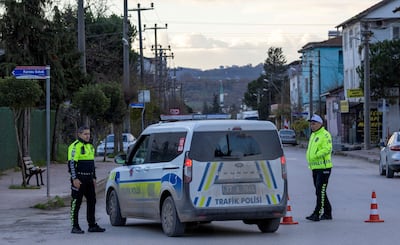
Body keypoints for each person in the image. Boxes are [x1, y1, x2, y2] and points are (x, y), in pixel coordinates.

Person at [68, 126, 106, 234]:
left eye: (88, 134)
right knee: (76, 202)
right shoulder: (75, 146)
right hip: (79, 179)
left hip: (89, 179)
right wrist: (74, 178)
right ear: (79, 134)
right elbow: (71, 164)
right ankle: (75, 226)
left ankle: (92, 225)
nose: (87, 136)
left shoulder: (90, 147)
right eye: (85, 134)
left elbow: (92, 164)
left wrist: (94, 177)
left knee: (92, 201)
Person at [305, 114, 333, 222]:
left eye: (314, 123)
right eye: (311, 124)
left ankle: (317, 213)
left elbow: (327, 149)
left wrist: (315, 155)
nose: (312, 126)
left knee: (320, 191)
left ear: (320, 124)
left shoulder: (325, 135)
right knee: (319, 191)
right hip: (315, 167)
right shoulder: (313, 135)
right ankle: (328, 212)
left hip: (324, 168)